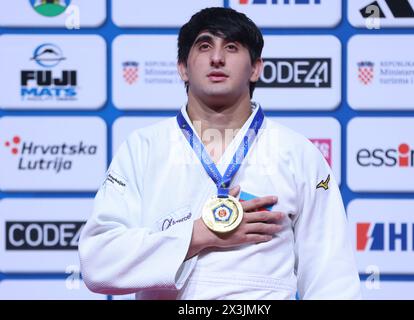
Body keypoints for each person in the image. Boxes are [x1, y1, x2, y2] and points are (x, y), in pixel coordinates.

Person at [78, 7, 361, 300]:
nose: (217, 57)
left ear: (255, 68)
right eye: (204, 45)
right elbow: (98, 262)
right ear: (183, 68)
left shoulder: (298, 152)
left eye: (232, 47)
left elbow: (332, 277)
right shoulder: (144, 148)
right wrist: (199, 235)